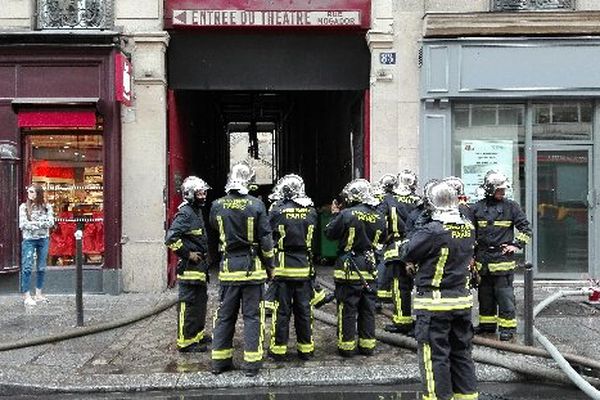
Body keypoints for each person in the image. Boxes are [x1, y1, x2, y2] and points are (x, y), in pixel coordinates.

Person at [400, 180, 478, 400]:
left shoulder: (433, 231)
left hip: (435, 304)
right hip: (462, 302)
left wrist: (417, 229)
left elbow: (408, 251)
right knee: (462, 354)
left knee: (435, 357)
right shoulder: (468, 227)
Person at [209, 162, 274, 377]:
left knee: (225, 316)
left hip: (228, 269)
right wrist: (270, 267)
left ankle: (220, 362)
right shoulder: (256, 205)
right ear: (249, 181)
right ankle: (252, 365)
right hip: (252, 270)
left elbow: (214, 230)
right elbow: (266, 240)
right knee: (252, 317)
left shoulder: (217, 205)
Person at [325, 178, 386, 357]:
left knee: (347, 309)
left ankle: (347, 347)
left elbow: (329, 233)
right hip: (370, 266)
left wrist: (335, 214)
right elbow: (383, 239)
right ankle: (367, 346)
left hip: (349, 269)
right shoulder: (379, 216)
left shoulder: (347, 214)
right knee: (368, 309)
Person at [471, 171, 531, 341]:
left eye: (504, 190)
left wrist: (515, 245)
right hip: (483, 260)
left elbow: (526, 229)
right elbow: (470, 233)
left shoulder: (511, 207)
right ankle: (486, 325)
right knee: (485, 296)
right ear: (490, 190)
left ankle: (507, 328)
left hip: (502, 261)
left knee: (505, 297)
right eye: (499, 190)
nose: (503, 193)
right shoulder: (477, 208)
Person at [267, 174, 318, 361]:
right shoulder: (311, 211)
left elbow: (268, 233)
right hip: (304, 267)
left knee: (281, 311)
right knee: (304, 311)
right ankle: (306, 350)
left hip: (282, 267)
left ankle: (278, 351)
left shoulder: (277, 210)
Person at [165, 176, 212, 353]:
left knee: (200, 304)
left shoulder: (196, 211)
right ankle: (185, 342)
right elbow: (170, 239)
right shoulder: (185, 213)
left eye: (204, 192)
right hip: (189, 269)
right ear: (190, 194)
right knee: (188, 305)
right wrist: (187, 253)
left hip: (199, 268)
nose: (203, 196)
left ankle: (197, 335)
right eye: (200, 193)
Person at [374, 174, 414, 335]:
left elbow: (380, 223)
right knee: (411, 286)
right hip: (415, 247)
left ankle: (402, 322)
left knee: (399, 287)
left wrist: (382, 240)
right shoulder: (417, 200)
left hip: (396, 249)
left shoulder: (389, 200)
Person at [19, 184, 55, 306]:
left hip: (43, 239)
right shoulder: (24, 207)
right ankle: (26, 295)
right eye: (29, 192)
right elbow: (23, 224)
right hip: (29, 239)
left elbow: (50, 222)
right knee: (27, 266)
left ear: (38, 193)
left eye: (32, 192)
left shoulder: (47, 207)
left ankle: (38, 294)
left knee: (41, 267)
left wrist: (33, 223)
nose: (30, 194)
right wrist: (41, 223)